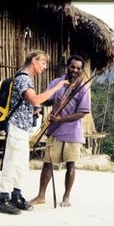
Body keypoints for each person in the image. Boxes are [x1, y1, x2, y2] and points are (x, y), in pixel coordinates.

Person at [0, 50, 69, 215]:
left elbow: (31, 102)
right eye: (43, 63)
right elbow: (35, 99)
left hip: (22, 128)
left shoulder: (26, 79)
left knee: (21, 164)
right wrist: (56, 88)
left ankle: (16, 195)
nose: (44, 67)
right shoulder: (23, 78)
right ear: (34, 61)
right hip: (16, 127)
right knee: (12, 163)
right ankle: (3, 199)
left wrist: (34, 109)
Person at [28, 55, 90, 207]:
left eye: (78, 68)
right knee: (48, 164)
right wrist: (51, 101)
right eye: (72, 67)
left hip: (73, 133)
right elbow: (45, 100)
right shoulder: (57, 82)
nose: (74, 70)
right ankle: (41, 196)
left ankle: (66, 197)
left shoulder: (82, 87)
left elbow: (82, 113)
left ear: (81, 70)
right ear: (67, 67)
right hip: (55, 130)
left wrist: (61, 119)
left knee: (71, 165)